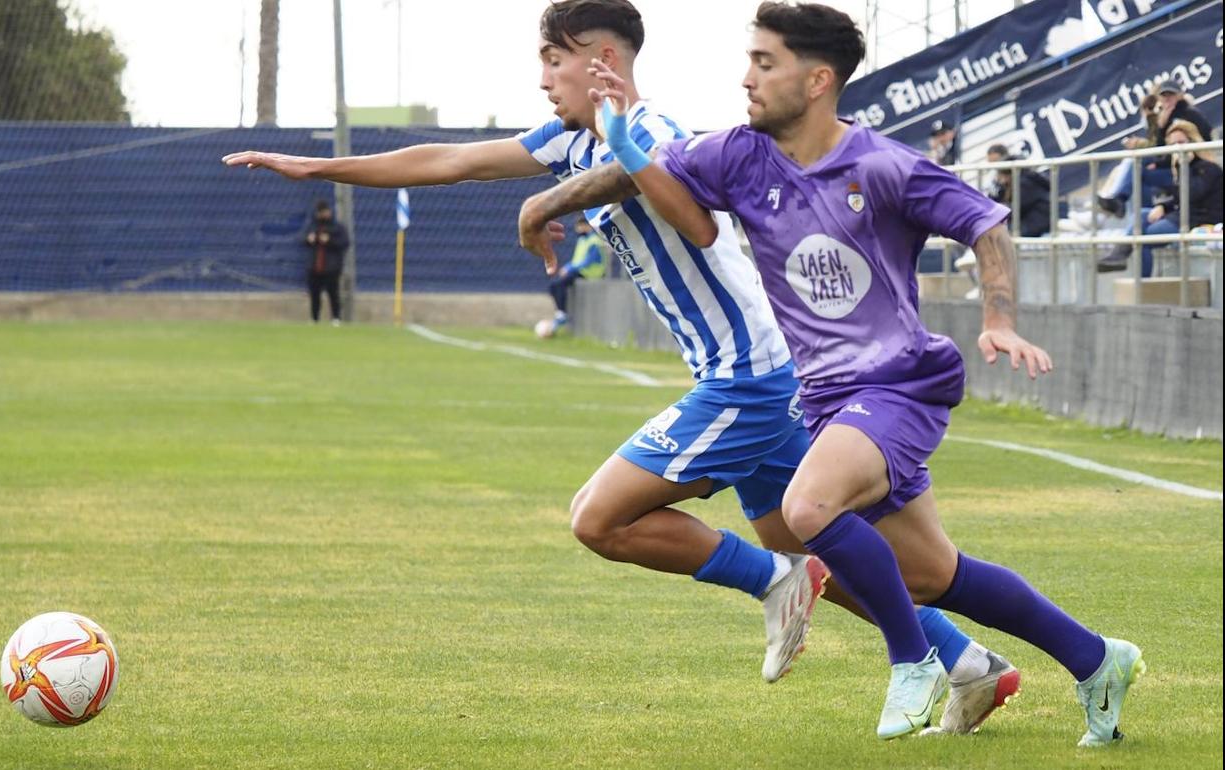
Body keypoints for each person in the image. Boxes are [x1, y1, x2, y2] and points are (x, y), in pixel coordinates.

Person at [225, 0, 1016, 736]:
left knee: (600, 519)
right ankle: (965, 661)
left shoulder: (654, 131)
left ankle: (774, 584)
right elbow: (453, 159)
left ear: (602, 58)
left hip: (747, 376)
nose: (541, 80)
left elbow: (676, 203)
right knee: (829, 557)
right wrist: (317, 170)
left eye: (552, 62)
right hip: (767, 378)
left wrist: (549, 202)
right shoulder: (567, 140)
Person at [575, 0, 1141, 745]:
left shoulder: (881, 165)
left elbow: (985, 221)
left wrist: (998, 317)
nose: (746, 77)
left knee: (807, 512)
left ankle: (914, 660)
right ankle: (1097, 658)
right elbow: (697, 222)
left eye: (764, 62)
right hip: (829, 399)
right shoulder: (739, 154)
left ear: (817, 81)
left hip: (901, 385)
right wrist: (624, 142)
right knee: (933, 574)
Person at [1097, 119, 1223, 276]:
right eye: (1173, 145)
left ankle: (1141, 283)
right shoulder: (1181, 167)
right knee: (1142, 214)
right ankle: (1119, 256)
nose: (1178, 148)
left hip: (1199, 219)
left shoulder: (1207, 168)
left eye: (1182, 142)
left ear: (1192, 142)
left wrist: (1184, 166)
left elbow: (1192, 194)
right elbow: (1179, 198)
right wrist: (1163, 207)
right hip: (1183, 216)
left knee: (1143, 241)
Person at [1098, 80, 1214, 215]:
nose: (1167, 98)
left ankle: (1130, 208)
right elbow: (1162, 149)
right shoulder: (1165, 115)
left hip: (1188, 170)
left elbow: (1197, 143)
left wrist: (1157, 162)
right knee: (1135, 170)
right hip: (1173, 167)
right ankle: (1140, 214)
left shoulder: (1190, 114)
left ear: (1180, 95)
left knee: (1134, 165)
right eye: (1164, 95)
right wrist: (1161, 126)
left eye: (1171, 94)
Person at [547, 216, 607, 333]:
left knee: (559, 284)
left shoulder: (595, 241)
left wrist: (570, 268)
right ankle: (560, 312)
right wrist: (568, 267)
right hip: (579, 271)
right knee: (554, 286)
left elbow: (589, 261)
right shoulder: (582, 240)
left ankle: (562, 314)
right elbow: (577, 260)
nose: (578, 230)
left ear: (587, 226)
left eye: (580, 227)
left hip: (590, 273)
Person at [985, 146, 1051, 238]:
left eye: (996, 162)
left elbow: (1015, 210)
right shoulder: (1010, 181)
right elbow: (992, 200)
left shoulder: (1024, 182)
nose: (994, 166)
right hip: (1029, 223)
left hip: (1036, 224)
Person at [304, 199, 349, 325]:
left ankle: (336, 318)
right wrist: (309, 240)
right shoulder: (312, 226)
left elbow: (345, 243)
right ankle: (314, 318)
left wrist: (329, 241)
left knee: (333, 293)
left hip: (331, 267)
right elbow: (302, 239)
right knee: (314, 294)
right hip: (315, 266)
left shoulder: (337, 227)